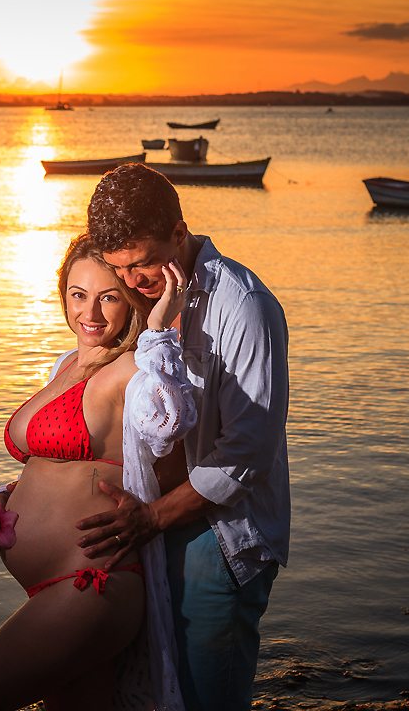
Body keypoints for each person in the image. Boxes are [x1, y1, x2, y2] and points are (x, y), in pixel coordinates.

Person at [0, 233, 196, 711]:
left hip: (90, 584)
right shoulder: (68, 365)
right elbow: (53, 460)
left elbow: (171, 420)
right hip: (58, 586)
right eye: (78, 295)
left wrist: (159, 326)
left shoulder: (134, 367)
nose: (90, 313)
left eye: (108, 297)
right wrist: (8, 493)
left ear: (132, 299)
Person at [76, 163, 291, 711]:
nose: (131, 279)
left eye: (143, 262)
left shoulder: (244, 307)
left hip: (220, 533)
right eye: (119, 267)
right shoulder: (141, 300)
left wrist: (150, 518)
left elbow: (247, 455)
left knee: (204, 698)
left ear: (179, 233)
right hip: (148, 530)